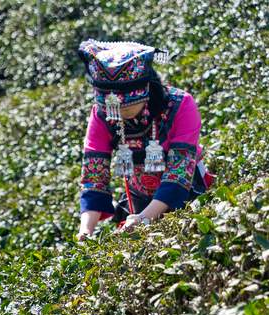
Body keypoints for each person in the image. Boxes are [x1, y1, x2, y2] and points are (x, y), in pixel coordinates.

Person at [75, 39, 213, 240]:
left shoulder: (181, 105)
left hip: (187, 194)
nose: (118, 114)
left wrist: (144, 218)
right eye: (111, 108)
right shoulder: (102, 115)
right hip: (137, 201)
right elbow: (94, 177)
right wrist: (85, 230)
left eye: (125, 107)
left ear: (145, 91)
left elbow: (179, 172)